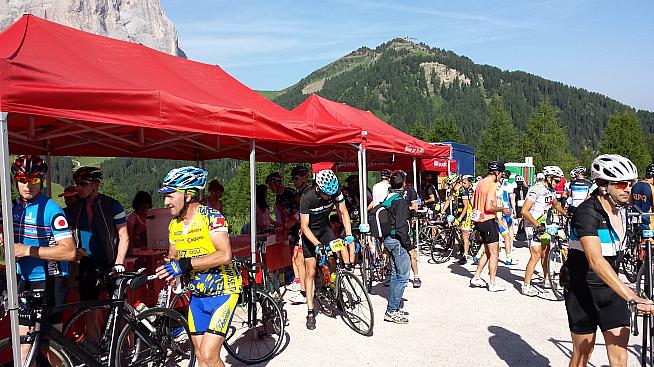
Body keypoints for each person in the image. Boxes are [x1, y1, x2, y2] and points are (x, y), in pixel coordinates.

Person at [565, 154, 654, 367]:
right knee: (583, 353)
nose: (628, 189)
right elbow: (596, 261)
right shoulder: (586, 213)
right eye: (622, 184)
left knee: (619, 356)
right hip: (582, 289)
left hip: (611, 288)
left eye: (631, 184)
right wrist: (631, 296)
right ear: (602, 185)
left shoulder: (625, 210)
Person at [156, 166, 241, 367]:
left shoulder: (212, 217)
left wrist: (185, 265)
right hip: (197, 297)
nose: (166, 201)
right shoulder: (173, 225)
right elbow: (173, 257)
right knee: (201, 357)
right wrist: (169, 268)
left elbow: (225, 254)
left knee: (210, 355)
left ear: (187, 195)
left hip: (224, 292)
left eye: (170, 195)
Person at [9, 156, 76, 363]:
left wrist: (27, 250)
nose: (28, 186)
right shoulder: (14, 208)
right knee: (23, 345)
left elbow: (69, 252)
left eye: (34, 181)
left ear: (41, 180)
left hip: (51, 281)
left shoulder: (51, 209)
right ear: (16, 181)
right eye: (22, 180)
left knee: (50, 348)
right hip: (24, 279)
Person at [300, 169, 353, 330]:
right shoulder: (307, 198)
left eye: (332, 195)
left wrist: (349, 235)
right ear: (318, 188)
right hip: (310, 235)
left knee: (337, 255)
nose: (330, 198)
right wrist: (317, 245)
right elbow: (304, 227)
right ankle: (310, 311)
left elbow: (343, 213)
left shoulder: (335, 191)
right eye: (326, 195)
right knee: (310, 271)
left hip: (325, 229)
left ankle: (335, 290)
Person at [67, 166, 129, 300]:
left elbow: (124, 236)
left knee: (118, 303)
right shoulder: (75, 208)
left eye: (83, 184)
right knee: (89, 307)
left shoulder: (112, 205)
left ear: (96, 184)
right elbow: (68, 233)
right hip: (87, 262)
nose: (78, 188)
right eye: (77, 184)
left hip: (110, 261)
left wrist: (119, 262)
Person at [520, 166, 567, 296]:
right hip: (532, 224)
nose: (558, 184)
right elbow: (524, 211)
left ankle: (547, 280)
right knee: (535, 255)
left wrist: (567, 214)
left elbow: (556, 204)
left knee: (545, 253)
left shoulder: (550, 190)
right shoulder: (537, 189)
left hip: (543, 223)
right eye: (556, 181)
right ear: (548, 178)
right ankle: (526, 285)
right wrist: (536, 225)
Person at [469, 161, 510, 292]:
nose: (501, 177)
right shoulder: (491, 185)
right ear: (497, 173)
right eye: (501, 174)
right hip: (487, 220)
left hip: (479, 221)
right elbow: (489, 207)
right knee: (494, 253)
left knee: (487, 251)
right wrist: (502, 209)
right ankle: (492, 283)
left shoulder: (480, 183)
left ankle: (476, 276)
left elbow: (473, 201)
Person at [383, 170, 412, 324]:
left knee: (395, 274)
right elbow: (401, 227)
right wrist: (409, 245)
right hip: (398, 241)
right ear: (403, 184)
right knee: (403, 277)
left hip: (388, 239)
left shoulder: (388, 197)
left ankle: (393, 306)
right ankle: (392, 310)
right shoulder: (400, 200)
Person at [287, 166, 310, 304]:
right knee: (297, 257)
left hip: (307, 229)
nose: (294, 182)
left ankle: (304, 292)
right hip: (304, 229)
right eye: (293, 179)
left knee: (301, 260)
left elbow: (302, 213)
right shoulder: (300, 192)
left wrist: (291, 221)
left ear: (304, 178)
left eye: (296, 179)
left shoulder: (306, 193)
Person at [401, 177, 421, 287]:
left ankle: (416, 276)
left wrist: (413, 218)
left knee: (410, 250)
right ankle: (416, 277)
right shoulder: (392, 191)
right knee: (410, 251)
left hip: (403, 225)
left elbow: (415, 206)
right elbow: (414, 206)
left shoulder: (410, 190)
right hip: (401, 226)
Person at [497, 170, 517, 265]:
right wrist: (514, 210)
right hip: (506, 208)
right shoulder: (510, 185)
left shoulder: (496, 184)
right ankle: (509, 250)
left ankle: (479, 254)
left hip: (497, 209)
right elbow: (512, 198)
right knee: (509, 228)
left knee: (497, 229)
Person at [456, 175, 474, 265]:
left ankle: (465, 255)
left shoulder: (466, 191)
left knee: (464, 235)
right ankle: (463, 247)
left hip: (467, 214)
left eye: (464, 183)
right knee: (459, 232)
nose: (462, 184)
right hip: (460, 212)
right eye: (462, 183)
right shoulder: (458, 191)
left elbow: (467, 206)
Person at [631, 162, 654, 232]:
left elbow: (630, 203)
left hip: (636, 225)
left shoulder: (635, 186)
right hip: (649, 226)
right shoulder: (652, 188)